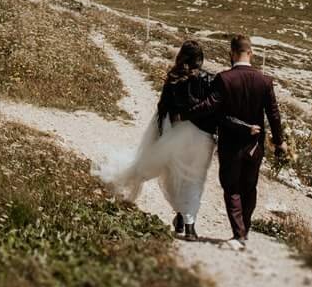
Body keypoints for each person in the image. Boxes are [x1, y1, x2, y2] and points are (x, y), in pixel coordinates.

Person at [105, 40, 218, 240]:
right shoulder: (208, 80)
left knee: (173, 177)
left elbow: (162, 108)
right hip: (201, 138)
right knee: (195, 180)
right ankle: (189, 223)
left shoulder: (173, 78)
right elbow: (212, 108)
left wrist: (160, 135)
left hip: (175, 134)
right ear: (200, 60)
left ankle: (183, 218)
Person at [184, 34, 289, 249]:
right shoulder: (265, 81)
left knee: (231, 188)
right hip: (255, 146)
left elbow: (210, 106)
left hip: (230, 145)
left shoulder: (224, 79)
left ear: (232, 53)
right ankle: (245, 230)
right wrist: (280, 142)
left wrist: (186, 112)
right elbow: (274, 114)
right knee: (249, 187)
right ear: (251, 53)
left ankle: (238, 233)